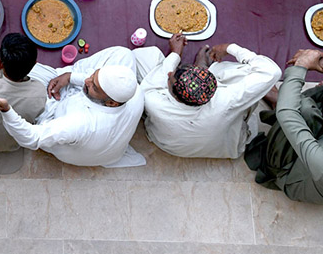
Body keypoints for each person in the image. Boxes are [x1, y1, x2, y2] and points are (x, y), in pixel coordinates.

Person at [0, 46, 143, 167]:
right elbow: (87, 80)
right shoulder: (134, 92)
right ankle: (80, 78)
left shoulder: (79, 123)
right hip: (99, 138)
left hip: (61, 122)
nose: (86, 81)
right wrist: (71, 77)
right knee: (124, 54)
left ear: (111, 103)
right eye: (93, 76)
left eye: (93, 86)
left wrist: (7, 110)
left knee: (17, 68)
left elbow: (31, 137)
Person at [138, 35, 280, 159]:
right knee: (243, 71)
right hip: (228, 149)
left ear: (171, 92)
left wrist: (176, 53)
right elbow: (271, 71)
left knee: (149, 57)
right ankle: (210, 68)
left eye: (170, 77)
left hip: (171, 149)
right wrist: (230, 48)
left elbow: (164, 73)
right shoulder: (227, 99)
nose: (169, 75)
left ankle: (204, 66)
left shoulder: (153, 100)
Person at [245, 49, 323, 204]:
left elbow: (288, 114)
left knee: (301, 108)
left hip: (290, 170)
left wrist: (301, 65)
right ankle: (282, 98)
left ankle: (279, 100)